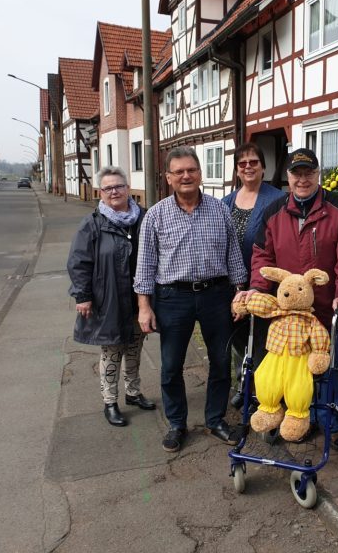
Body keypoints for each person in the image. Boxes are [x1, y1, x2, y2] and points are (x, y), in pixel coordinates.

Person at [234, 148, 338, 449]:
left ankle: (331, 422)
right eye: (296, 174)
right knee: (291, 370)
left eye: (308, 173)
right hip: (287, 313)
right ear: (288, 177)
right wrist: (257, 289)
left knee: (331, 366)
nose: (302, 179)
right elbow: (262, 257)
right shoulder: (274, 211)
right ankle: (298, 417)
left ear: (318, 174)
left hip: (328, 307)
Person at [134, 146, 248, 453]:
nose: (186, 176)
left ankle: (215, 419)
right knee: (171, 365)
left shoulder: (220, 210)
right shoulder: (155, 215)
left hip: (216, 295)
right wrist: (144, 307)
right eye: (179, 171)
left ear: (200, 173)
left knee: (221, 361)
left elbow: (233, 256)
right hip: (173, 298)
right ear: (168, 177)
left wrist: (239, 293)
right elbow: (145, 265)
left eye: (191, 170)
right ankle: (176, 424)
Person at [67, 166, 156, 427]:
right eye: (108, 188)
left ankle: (133, 392)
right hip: (109, 300)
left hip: (140, 299)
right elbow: (78, 262)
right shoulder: (92, 223)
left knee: (135, 348)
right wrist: (82, 296)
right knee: (112, 351)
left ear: (128, 189)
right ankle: (110, 401)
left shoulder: (144, 218)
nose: (114, 191)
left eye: (118, 186)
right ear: (100, 193)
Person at [222, 143, 284, 407]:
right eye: (242, 163)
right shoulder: (226, 202)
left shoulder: (278, 199)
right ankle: (243, 384)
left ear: (263, 167)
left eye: (253, 162)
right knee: (237, 336)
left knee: (262, 337)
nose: (248, 167)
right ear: (237, 169)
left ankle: (264, 391)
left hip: (265, 282)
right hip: (233, 283)